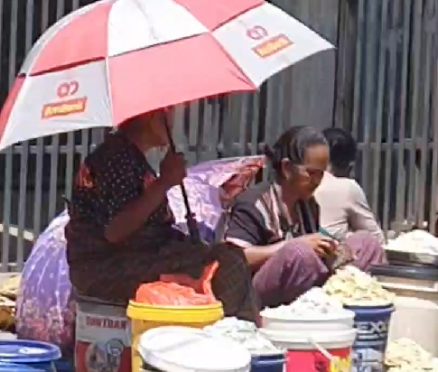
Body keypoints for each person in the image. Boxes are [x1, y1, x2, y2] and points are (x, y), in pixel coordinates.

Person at [65, 111, 257, 319]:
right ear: (152, 118)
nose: (174, 123)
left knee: (225, 255)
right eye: (169, 115)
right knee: (227, 264)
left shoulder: (128, 157)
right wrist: (164, 182)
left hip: (135, 256)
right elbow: (115, 229)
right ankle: (228, 330)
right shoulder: (116, 159)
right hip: (110, 267)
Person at [222, 127, 383, 309]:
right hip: (254, 296)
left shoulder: (308, 204)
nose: (317, 181)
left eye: (321, 174)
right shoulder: (253, 203)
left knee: (366, 243)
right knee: (299, 253)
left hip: (305, 282)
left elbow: (314, 249)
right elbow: (235, 257)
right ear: (287, 168)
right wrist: (290, 246)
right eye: (311, 173)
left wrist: (332, 249)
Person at [316, 127, 384, 246]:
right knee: (365, 241)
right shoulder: (346, 187)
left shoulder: (299, 182)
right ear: (350, 165)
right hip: (325, 256)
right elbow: (376, 239)